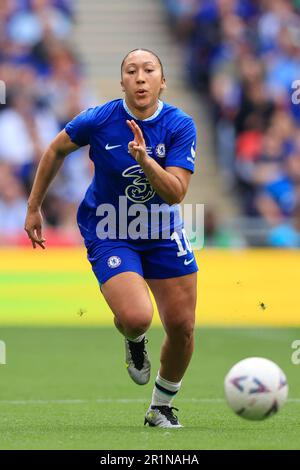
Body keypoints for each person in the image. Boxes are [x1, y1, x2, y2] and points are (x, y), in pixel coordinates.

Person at [24, 48, 198, 428]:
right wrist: (34, 206)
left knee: (183, 327)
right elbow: (55, 150)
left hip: (162, 231)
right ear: (122, 82)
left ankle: (160, 407)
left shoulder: (181, 126)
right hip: (110, 228)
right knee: (136, 318)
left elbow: (176, 193)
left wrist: (145, 160)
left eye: (149, 70)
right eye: (131, 71)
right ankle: (134, 342)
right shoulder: (99, 119)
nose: (140, 77)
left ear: (162, 81)